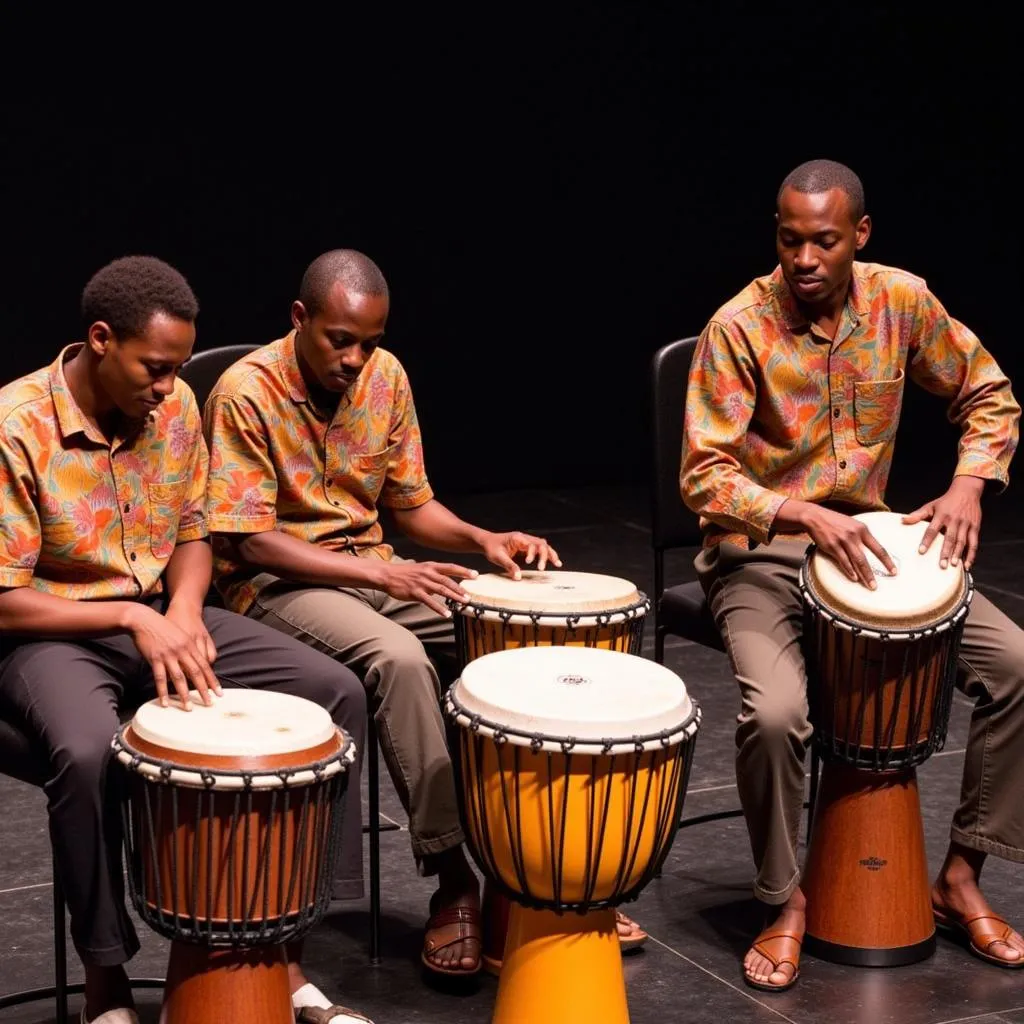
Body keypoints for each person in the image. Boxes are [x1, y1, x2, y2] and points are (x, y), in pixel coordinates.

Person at [201, 248, 649, 976]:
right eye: (338, 340)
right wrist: (388, 572)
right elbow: (251, 543)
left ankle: (528, 871)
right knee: (400, 660)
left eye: (367, 343)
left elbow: (412, 506)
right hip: (276, 586)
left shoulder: (388, 378)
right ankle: (453, 881)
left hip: (375, 567)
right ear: (299, 318)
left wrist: (480, 539)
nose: (354, 359)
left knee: (505, 637)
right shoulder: (244, 392)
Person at [0, 257, 373, 1024]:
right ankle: (106, 982)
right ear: (101, 340)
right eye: (156, 368)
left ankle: (288, 954)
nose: (170, 388)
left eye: (176, 370)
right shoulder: (16, 425)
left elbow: (196, 534)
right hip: (55, 630)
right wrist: (137, 618)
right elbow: (5, 600)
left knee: (334, 691)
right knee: (87, 750)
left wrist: (186, 611)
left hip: (164, 615)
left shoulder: (175, 409)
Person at [680, 159, 1024, 992]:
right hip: (761, 553)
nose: (804, 258)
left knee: (1017, 665)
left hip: (870, 548)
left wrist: (969, 484)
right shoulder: (739, 327)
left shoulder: (900, 301)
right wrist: (801, 514)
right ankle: (784, 898)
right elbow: (703, 476)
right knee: (774, 715)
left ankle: (962, 872)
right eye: (790, 239)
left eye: (824, 242)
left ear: (858, 237)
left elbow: (990, 392)